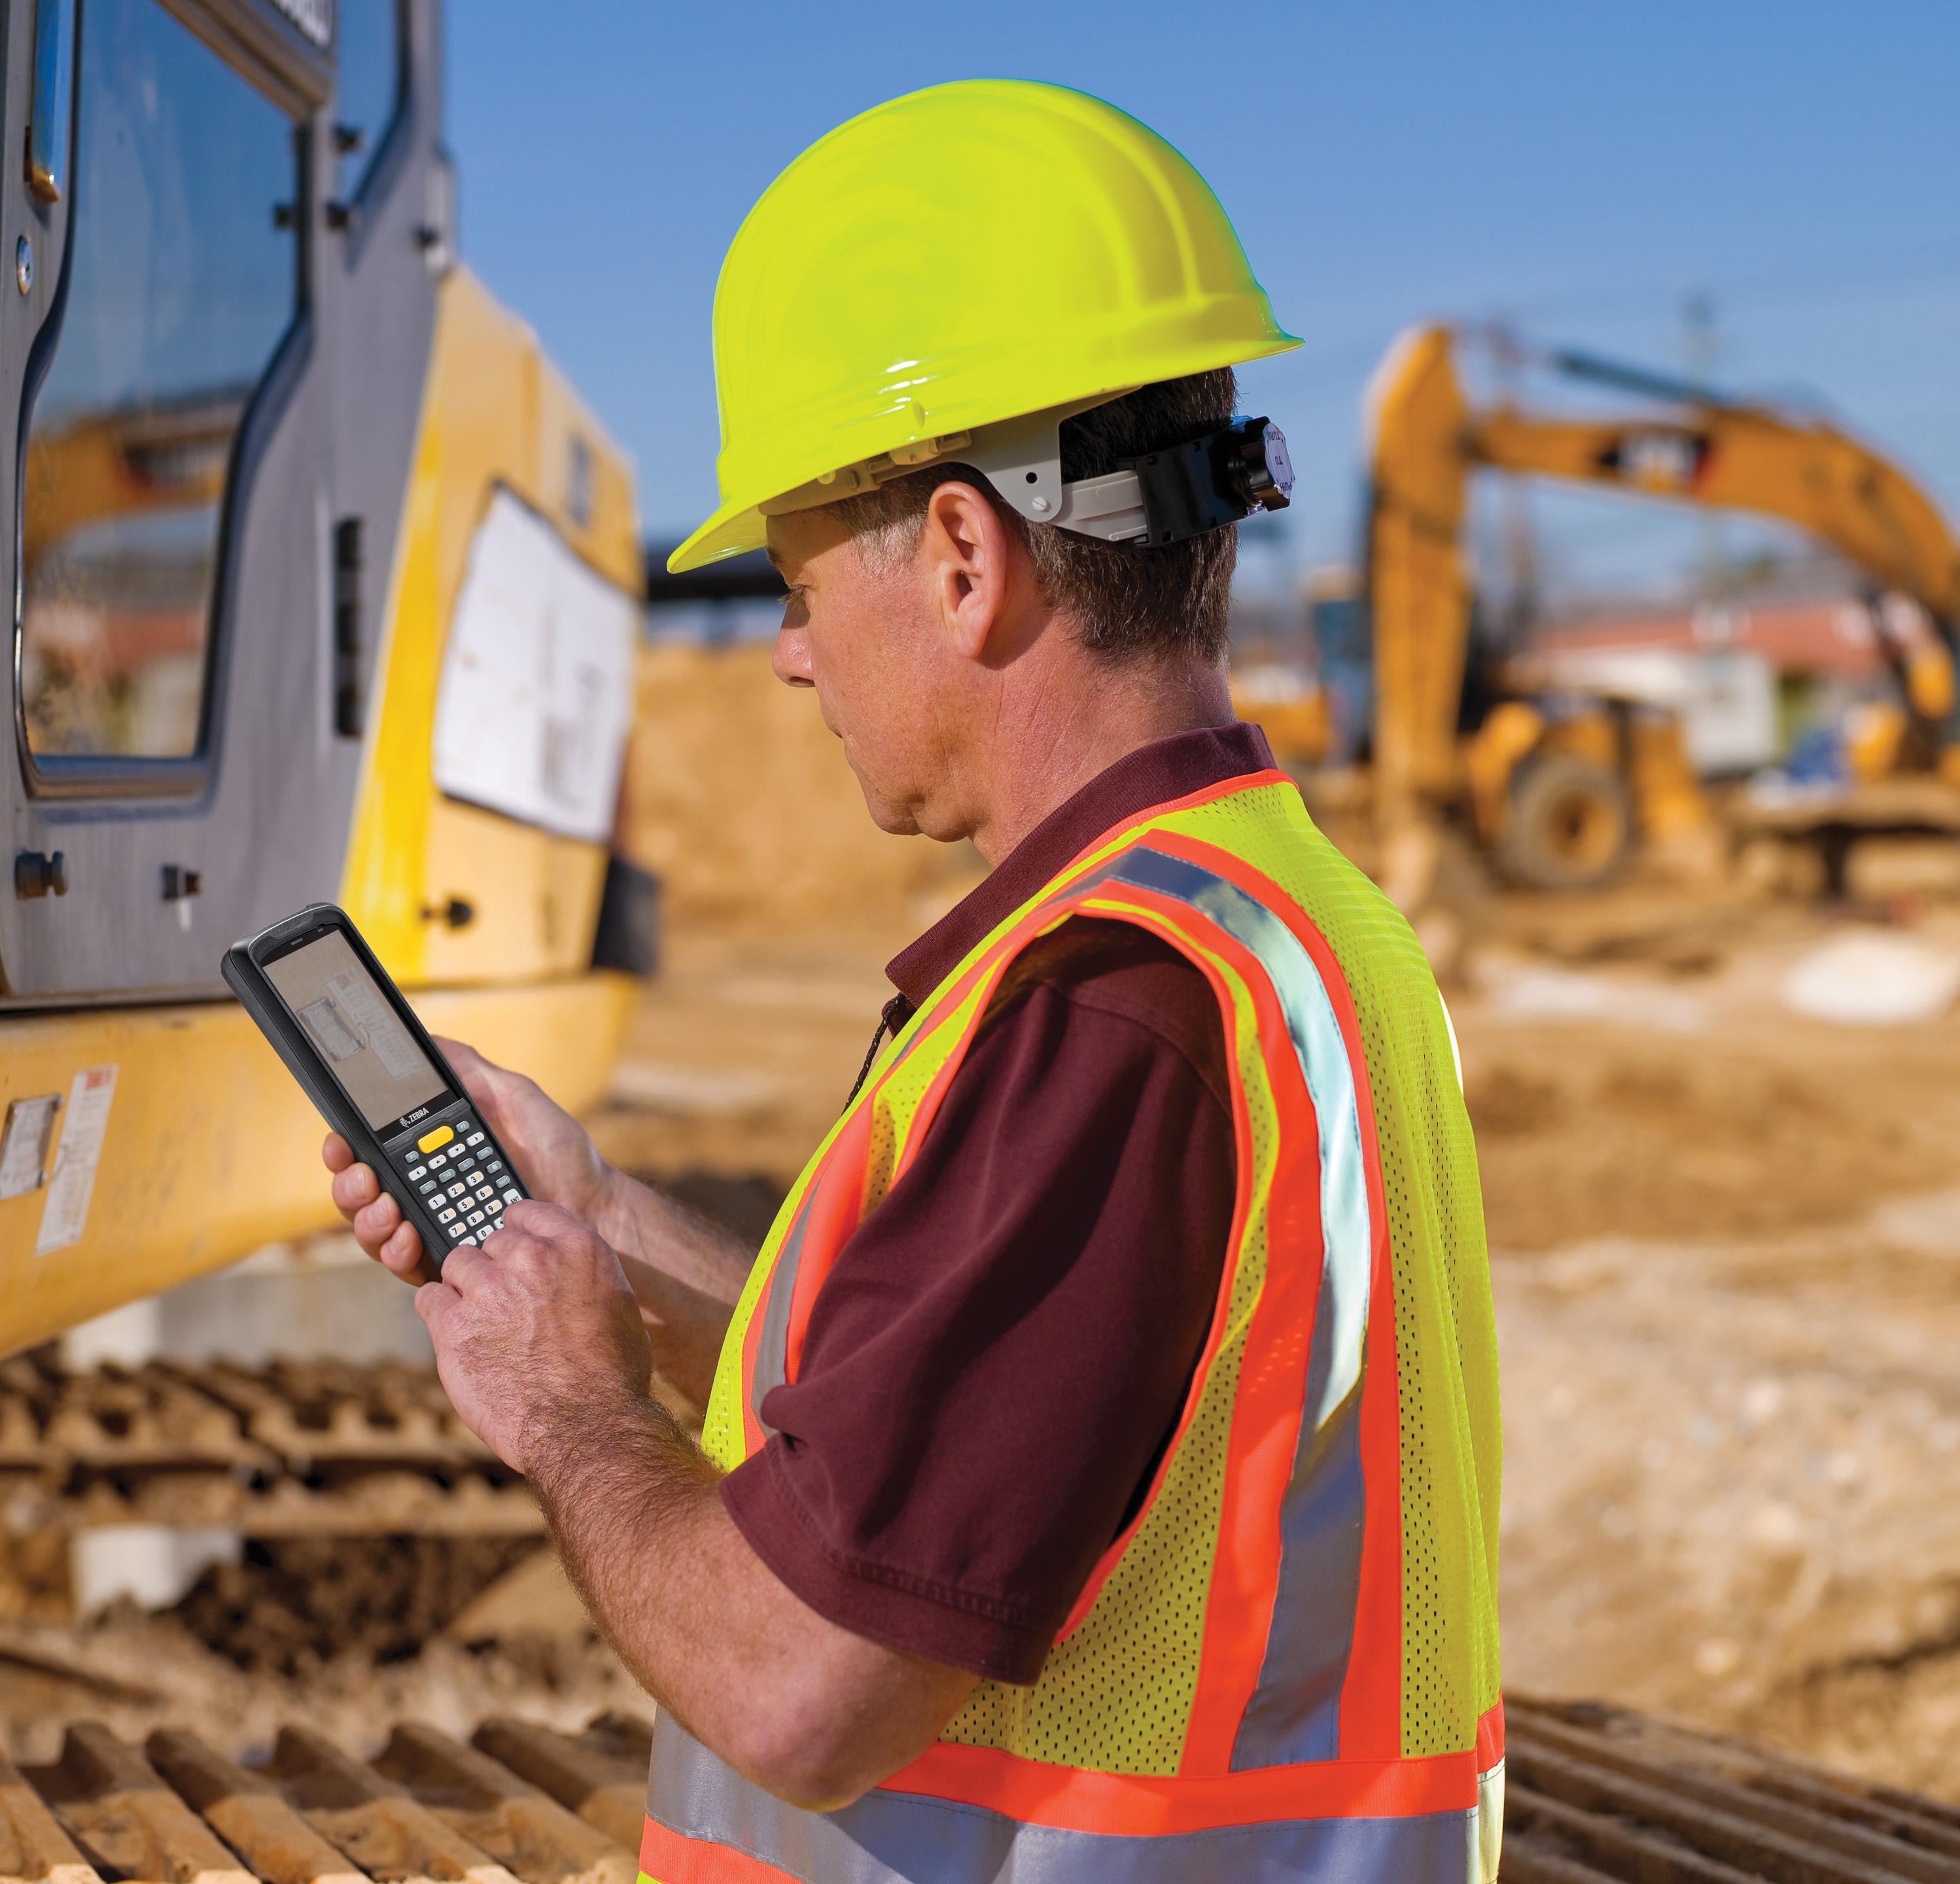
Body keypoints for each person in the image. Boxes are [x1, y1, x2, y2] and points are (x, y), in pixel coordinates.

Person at [323, 80, 1503, 1884]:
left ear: (963, 556)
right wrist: (602, 1230)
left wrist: (564, 1402)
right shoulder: (1273, 920)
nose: (788, 656)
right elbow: (984, 1419)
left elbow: (802, 1688)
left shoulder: (1116, 1004)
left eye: (795, 582)